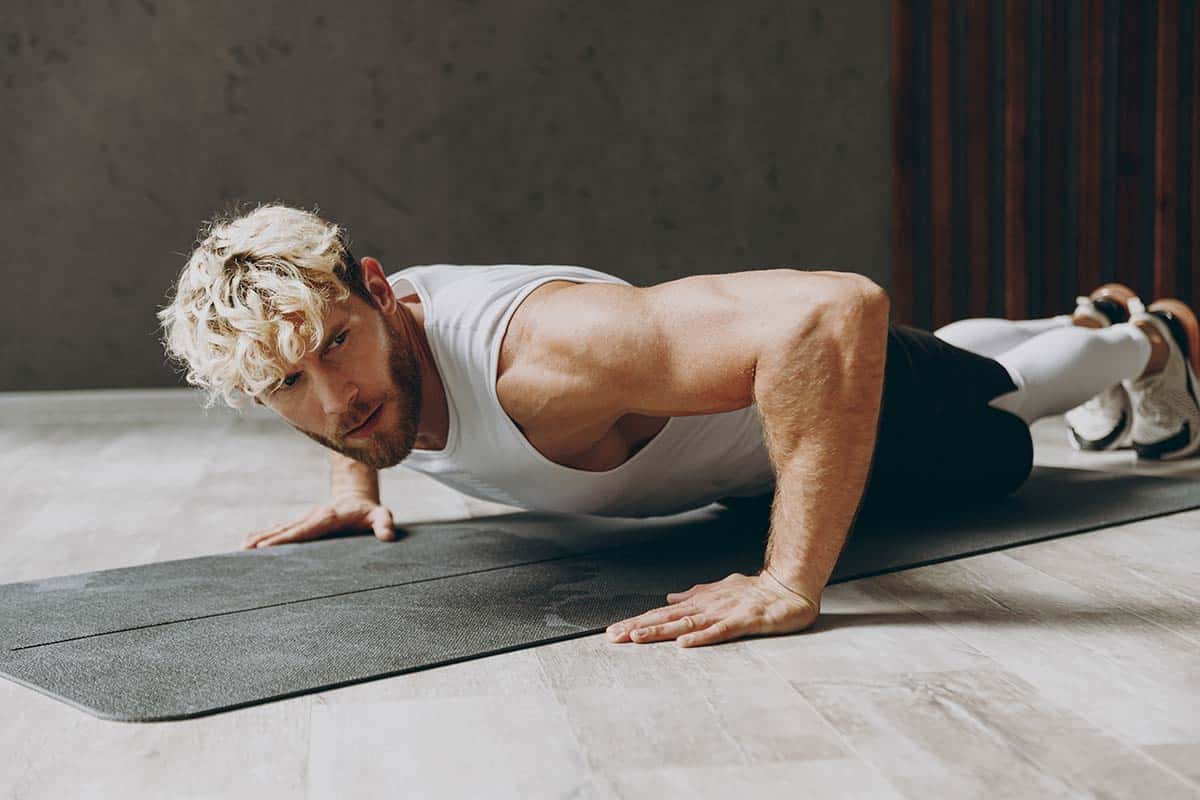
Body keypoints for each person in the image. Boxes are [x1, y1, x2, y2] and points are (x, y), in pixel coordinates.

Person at [157, 203, 1200, 648]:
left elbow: (837, 314)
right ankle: (1088, 319)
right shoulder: (352, 358)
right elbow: (344, 400)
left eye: (336, 344)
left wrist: (791, 580)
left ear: (381, 293)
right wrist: (355, 485)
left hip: (824, 425)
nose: (331, 401)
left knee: (1000, 416)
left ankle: (1144, 344)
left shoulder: (548, 355)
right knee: (951, 354)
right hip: (750, 448)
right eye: (286, 384)